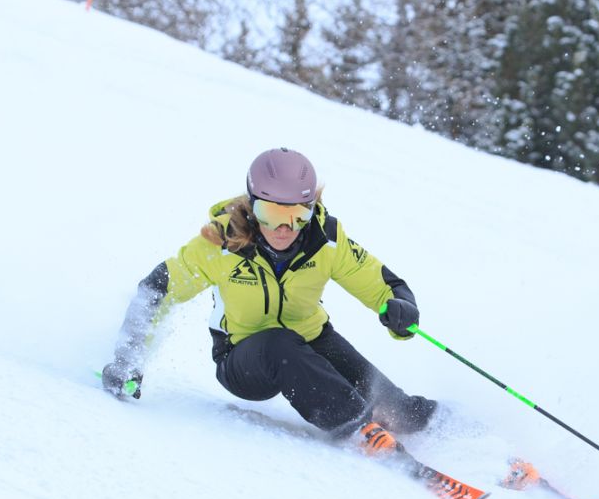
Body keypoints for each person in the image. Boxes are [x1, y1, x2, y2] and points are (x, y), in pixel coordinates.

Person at [101, 147, 438, 451]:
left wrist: (401, 308)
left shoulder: (327, 240)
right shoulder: (222, 243)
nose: (284, 228)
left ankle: (453, 428)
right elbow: (157, 289)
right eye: (272, 214)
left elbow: (383, 284)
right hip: (244, 359)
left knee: (399, 410)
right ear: (252, 206)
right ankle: (356, 429)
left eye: (297, 216)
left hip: (312, 340)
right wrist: (126, 357)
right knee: (279, 345)